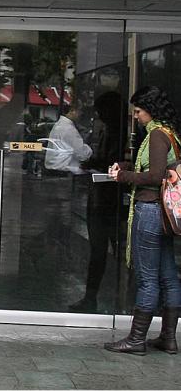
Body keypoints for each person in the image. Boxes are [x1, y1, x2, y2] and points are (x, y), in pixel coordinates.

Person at [105, 86, 181, 355]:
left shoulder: (157, 136)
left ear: (151, 110)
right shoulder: (169, 133)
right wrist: (125, 167)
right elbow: (153, 170)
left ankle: (136, 340)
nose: (135, 116)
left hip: (150, 211)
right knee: (168, 276)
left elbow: (155, 176)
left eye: (138, 111)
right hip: (163, 213)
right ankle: (168, 339)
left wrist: (121, 177)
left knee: (148, 279)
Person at [68, 91, 123, 313]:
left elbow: (109, 162)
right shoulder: (108, 131)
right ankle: (92, 298)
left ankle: (98, 298)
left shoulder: (116, 133)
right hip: (103, 199)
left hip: (108, 201)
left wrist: (91, 162)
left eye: (101, 111)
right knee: (100, 251)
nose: (98, 116)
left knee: (102, 251)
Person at [44, 104, 93, 174]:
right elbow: (82, 154)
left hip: (56, 169)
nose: (81, 114)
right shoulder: (68, 128)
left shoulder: (59, 125)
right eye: (79, 111)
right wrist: (90, 150)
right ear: (72, 111)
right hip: (64, 171)